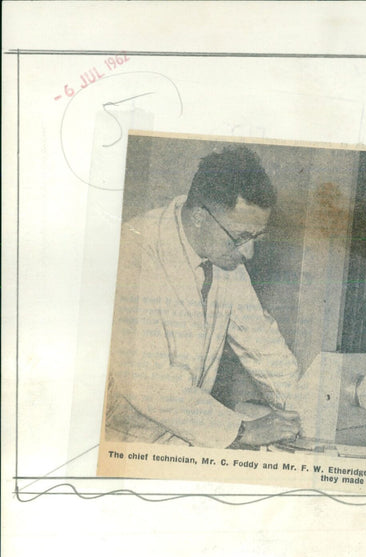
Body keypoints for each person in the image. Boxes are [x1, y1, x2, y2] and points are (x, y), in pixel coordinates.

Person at [104, 146, 301, 449]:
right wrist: (242, 432)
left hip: (182, 439)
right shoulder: (133, 250)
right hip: (122, 442)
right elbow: (146, 379)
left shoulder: (225, 258)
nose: (248, 253)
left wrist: (302, 412)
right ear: (199, 217)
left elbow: (263, 346)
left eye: (256, 237)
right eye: (241, 237)